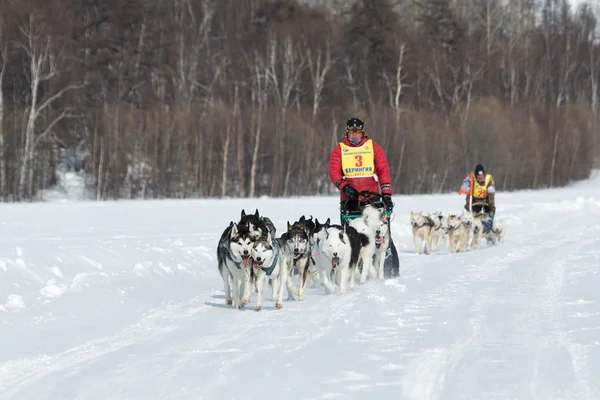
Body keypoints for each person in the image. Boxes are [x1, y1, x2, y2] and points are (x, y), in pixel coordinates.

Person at [328, 117, 399, 277]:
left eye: (357, 131)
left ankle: (390, 271)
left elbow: (383, 170)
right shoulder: (340, 150)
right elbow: (334, 172)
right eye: (351, 131)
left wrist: (387, 194)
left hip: (371, 197)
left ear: (362, 132)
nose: (354, 135)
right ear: (347, 132)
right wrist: (344, 186)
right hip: (350, 198)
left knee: (380, 233)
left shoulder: (372, 147)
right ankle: (348, 272)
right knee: (351, 236)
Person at [462, 163, 496, 232]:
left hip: (486, 201)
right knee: (472, 215)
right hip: (474, 201)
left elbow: (491, 194)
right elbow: (468, 194)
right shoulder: (471, 179)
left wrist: (491, 206)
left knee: (489, 213)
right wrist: (468, 206)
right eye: (478, 175)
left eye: (482, 175)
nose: (480, 177)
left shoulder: (489, 179)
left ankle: (488, 229)